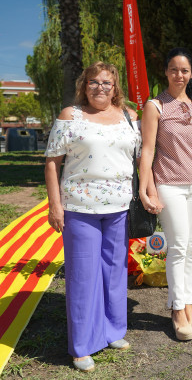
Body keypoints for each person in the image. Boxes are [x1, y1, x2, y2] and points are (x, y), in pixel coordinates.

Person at [45, 62, 141, 372]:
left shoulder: (131, 117)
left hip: (120, 207)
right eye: (93, 82)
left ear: (116, 87)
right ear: (84, 85)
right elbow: (51, 163)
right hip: (79, 208)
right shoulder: (69, 116)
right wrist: (54, 205)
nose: (100, 87)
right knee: (83, 277)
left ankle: (113, 330)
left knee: (114, 272)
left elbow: (144, 158)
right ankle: (82, 346)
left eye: (106, 83)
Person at [139, 47, 192, 341]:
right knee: (178, 247)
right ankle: (176, 309)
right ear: (165, 72)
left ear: (191, 73)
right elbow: (147, 150)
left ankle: (188, 305)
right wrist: (145, 187)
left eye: (184, 70)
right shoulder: (155, 106)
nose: (179, 75)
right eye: (174, 69)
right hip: (169, 186)